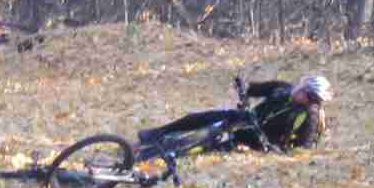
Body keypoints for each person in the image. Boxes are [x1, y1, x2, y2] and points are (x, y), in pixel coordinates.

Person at [137, 74, 334, 151]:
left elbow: (303, 148)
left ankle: (156, 153)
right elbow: (255, 89)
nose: (300, 93)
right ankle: (155, 134)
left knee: (206, 146)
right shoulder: (283, 88)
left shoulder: (309, 117)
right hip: (247, 118)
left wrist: (272, 148)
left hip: (257, 141)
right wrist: (243, 87)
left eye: (308, 95)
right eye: (303, 88)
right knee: (202, 118)